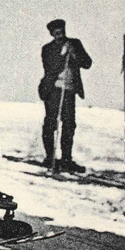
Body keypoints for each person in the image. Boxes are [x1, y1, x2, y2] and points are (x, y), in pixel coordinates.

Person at [38, 19, 92, 172]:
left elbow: (87, 63)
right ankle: (50, 158)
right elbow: (51, 68)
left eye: (61, 31)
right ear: (52, 34)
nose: (59, 34)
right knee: (51, 123)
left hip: (69, 91)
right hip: (53, 90)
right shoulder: (47, 49)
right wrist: (62, 55)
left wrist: (74, 52)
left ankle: (66, 159)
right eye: (56, 32)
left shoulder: (75, 43)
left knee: (69, 125)